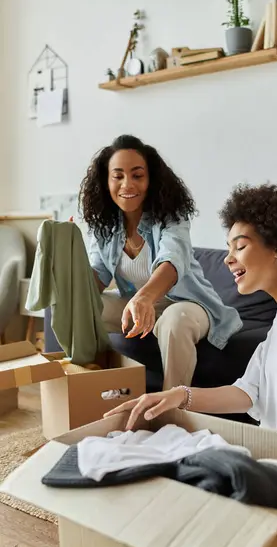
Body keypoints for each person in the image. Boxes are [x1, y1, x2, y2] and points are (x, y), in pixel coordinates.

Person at [105, 183, 277, 496]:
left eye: (239, 246)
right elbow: (244, 394)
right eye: (228, 249)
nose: (228, 259)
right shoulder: (275, 330)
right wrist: (176, 395)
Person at [79, 134, 242, 389]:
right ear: (106, 180)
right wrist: (67, 258)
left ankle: (171, 408)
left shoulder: (172, 217)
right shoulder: (105, 226)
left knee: (174, 319)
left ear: (151, 178)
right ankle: (92, 388)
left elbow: (171, 260)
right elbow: (97, 277)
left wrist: (144, 298)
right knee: (85, 307)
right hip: (139, 305)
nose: (127, 184)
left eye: (137, 175)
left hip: (188, 304)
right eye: (118, 175)